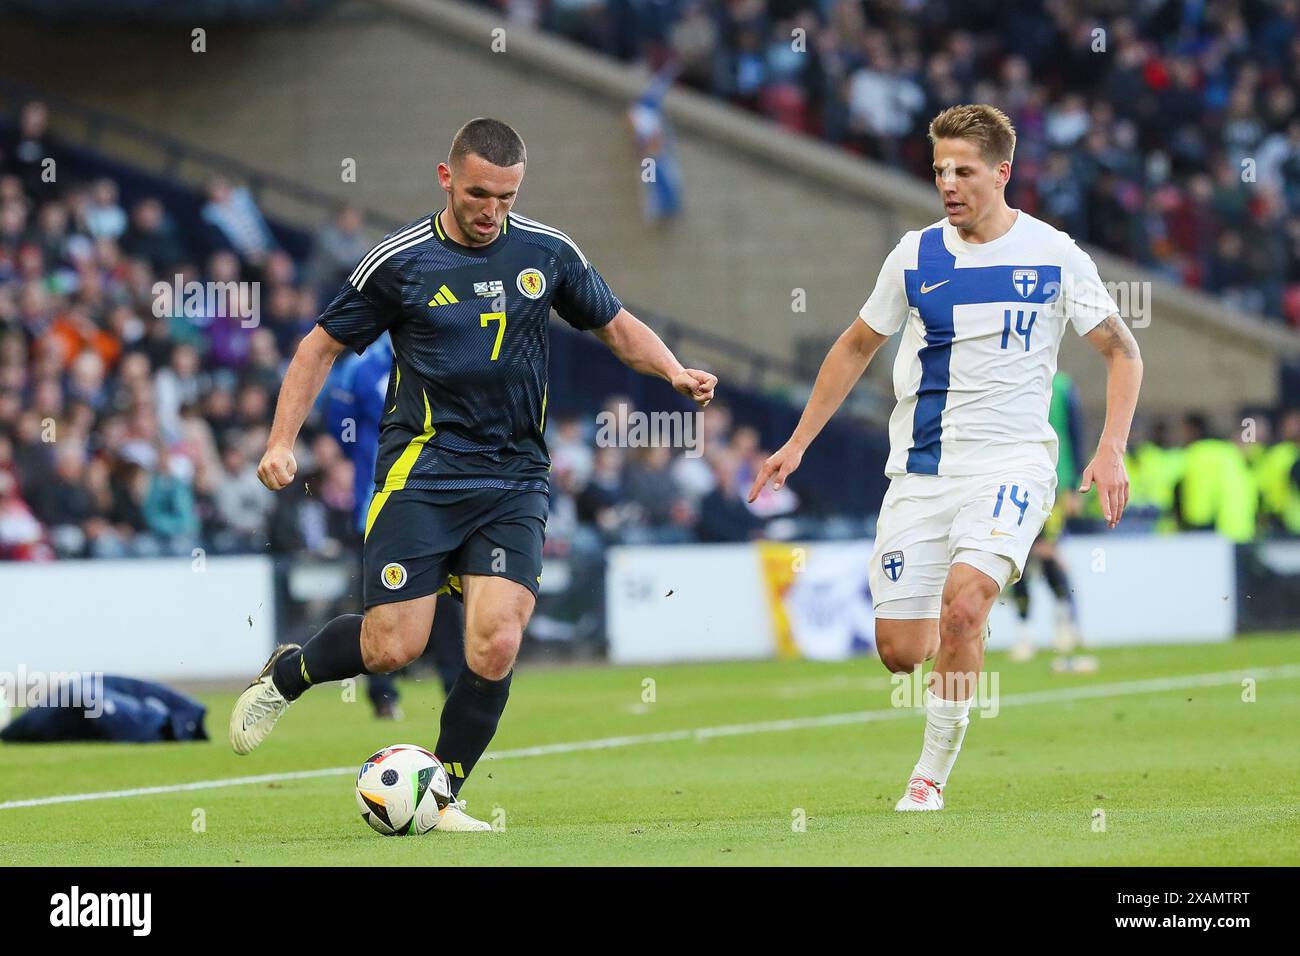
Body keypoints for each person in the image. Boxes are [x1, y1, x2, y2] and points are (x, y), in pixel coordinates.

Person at [229, 118, 716, 831]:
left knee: (496, 638)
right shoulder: (399, 263)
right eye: (480, 193)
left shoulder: (546, 252)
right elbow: (317, 348)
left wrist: (672, 369)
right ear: (446, 178)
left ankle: (442, 795)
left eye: (508, 196)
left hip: (513, 477)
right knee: (393, 647)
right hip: (422, 475)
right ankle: (287, 676)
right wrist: (281, 442)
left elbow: (615, 325)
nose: (493, 210)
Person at [749, 104, 1143, 812]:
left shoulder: (1055, 254)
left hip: (1014, 466)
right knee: (901, 650)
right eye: (939, 171)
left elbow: (1121, 350)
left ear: (1003, 172)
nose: (949, 184)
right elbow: (855, 346)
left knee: (964, 608)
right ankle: (965, 621)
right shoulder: (914, 255)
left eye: (963, 170)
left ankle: (928, 777)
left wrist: (1111, 447)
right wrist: (799, 440)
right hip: (923, 472)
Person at [1007, 371, 1097, 672]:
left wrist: (1073, 488)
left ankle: (1065, 623)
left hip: (1053, 486)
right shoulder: (1008, 377)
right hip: (1014, 485)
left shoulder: (1061, 386)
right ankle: (1025, 634)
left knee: (1047, 555)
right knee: (1017, 562)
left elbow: (1075, 434)